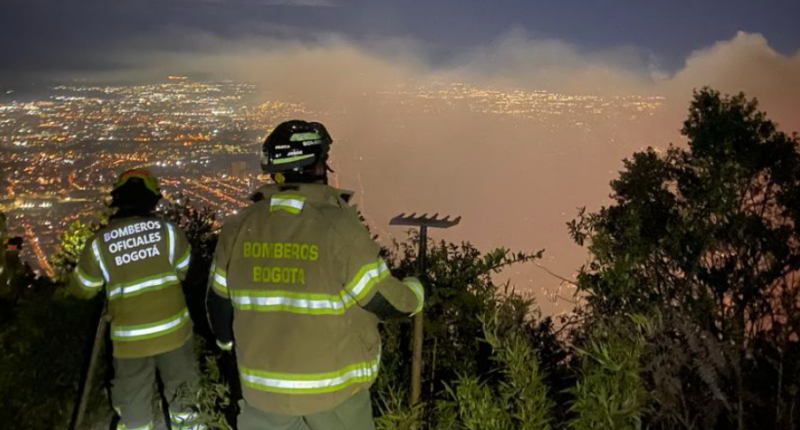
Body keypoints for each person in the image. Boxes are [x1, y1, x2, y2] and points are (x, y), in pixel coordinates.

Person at [206, 120, 424, 430]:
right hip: (333, 394)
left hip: (262, 393)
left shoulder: (240, 226)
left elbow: (218, 306)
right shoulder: (336, 226)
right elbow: (384, 299)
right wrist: (416, 293)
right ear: (317, 165)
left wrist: (232, 348)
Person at [71, 169, 203, 430]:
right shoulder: (167, 233)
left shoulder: (100, 244)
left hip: (129, 342)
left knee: (133, 410)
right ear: (152, 199)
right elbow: (190, 272)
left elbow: (82, 289)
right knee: (184, 399)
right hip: (174, 334)